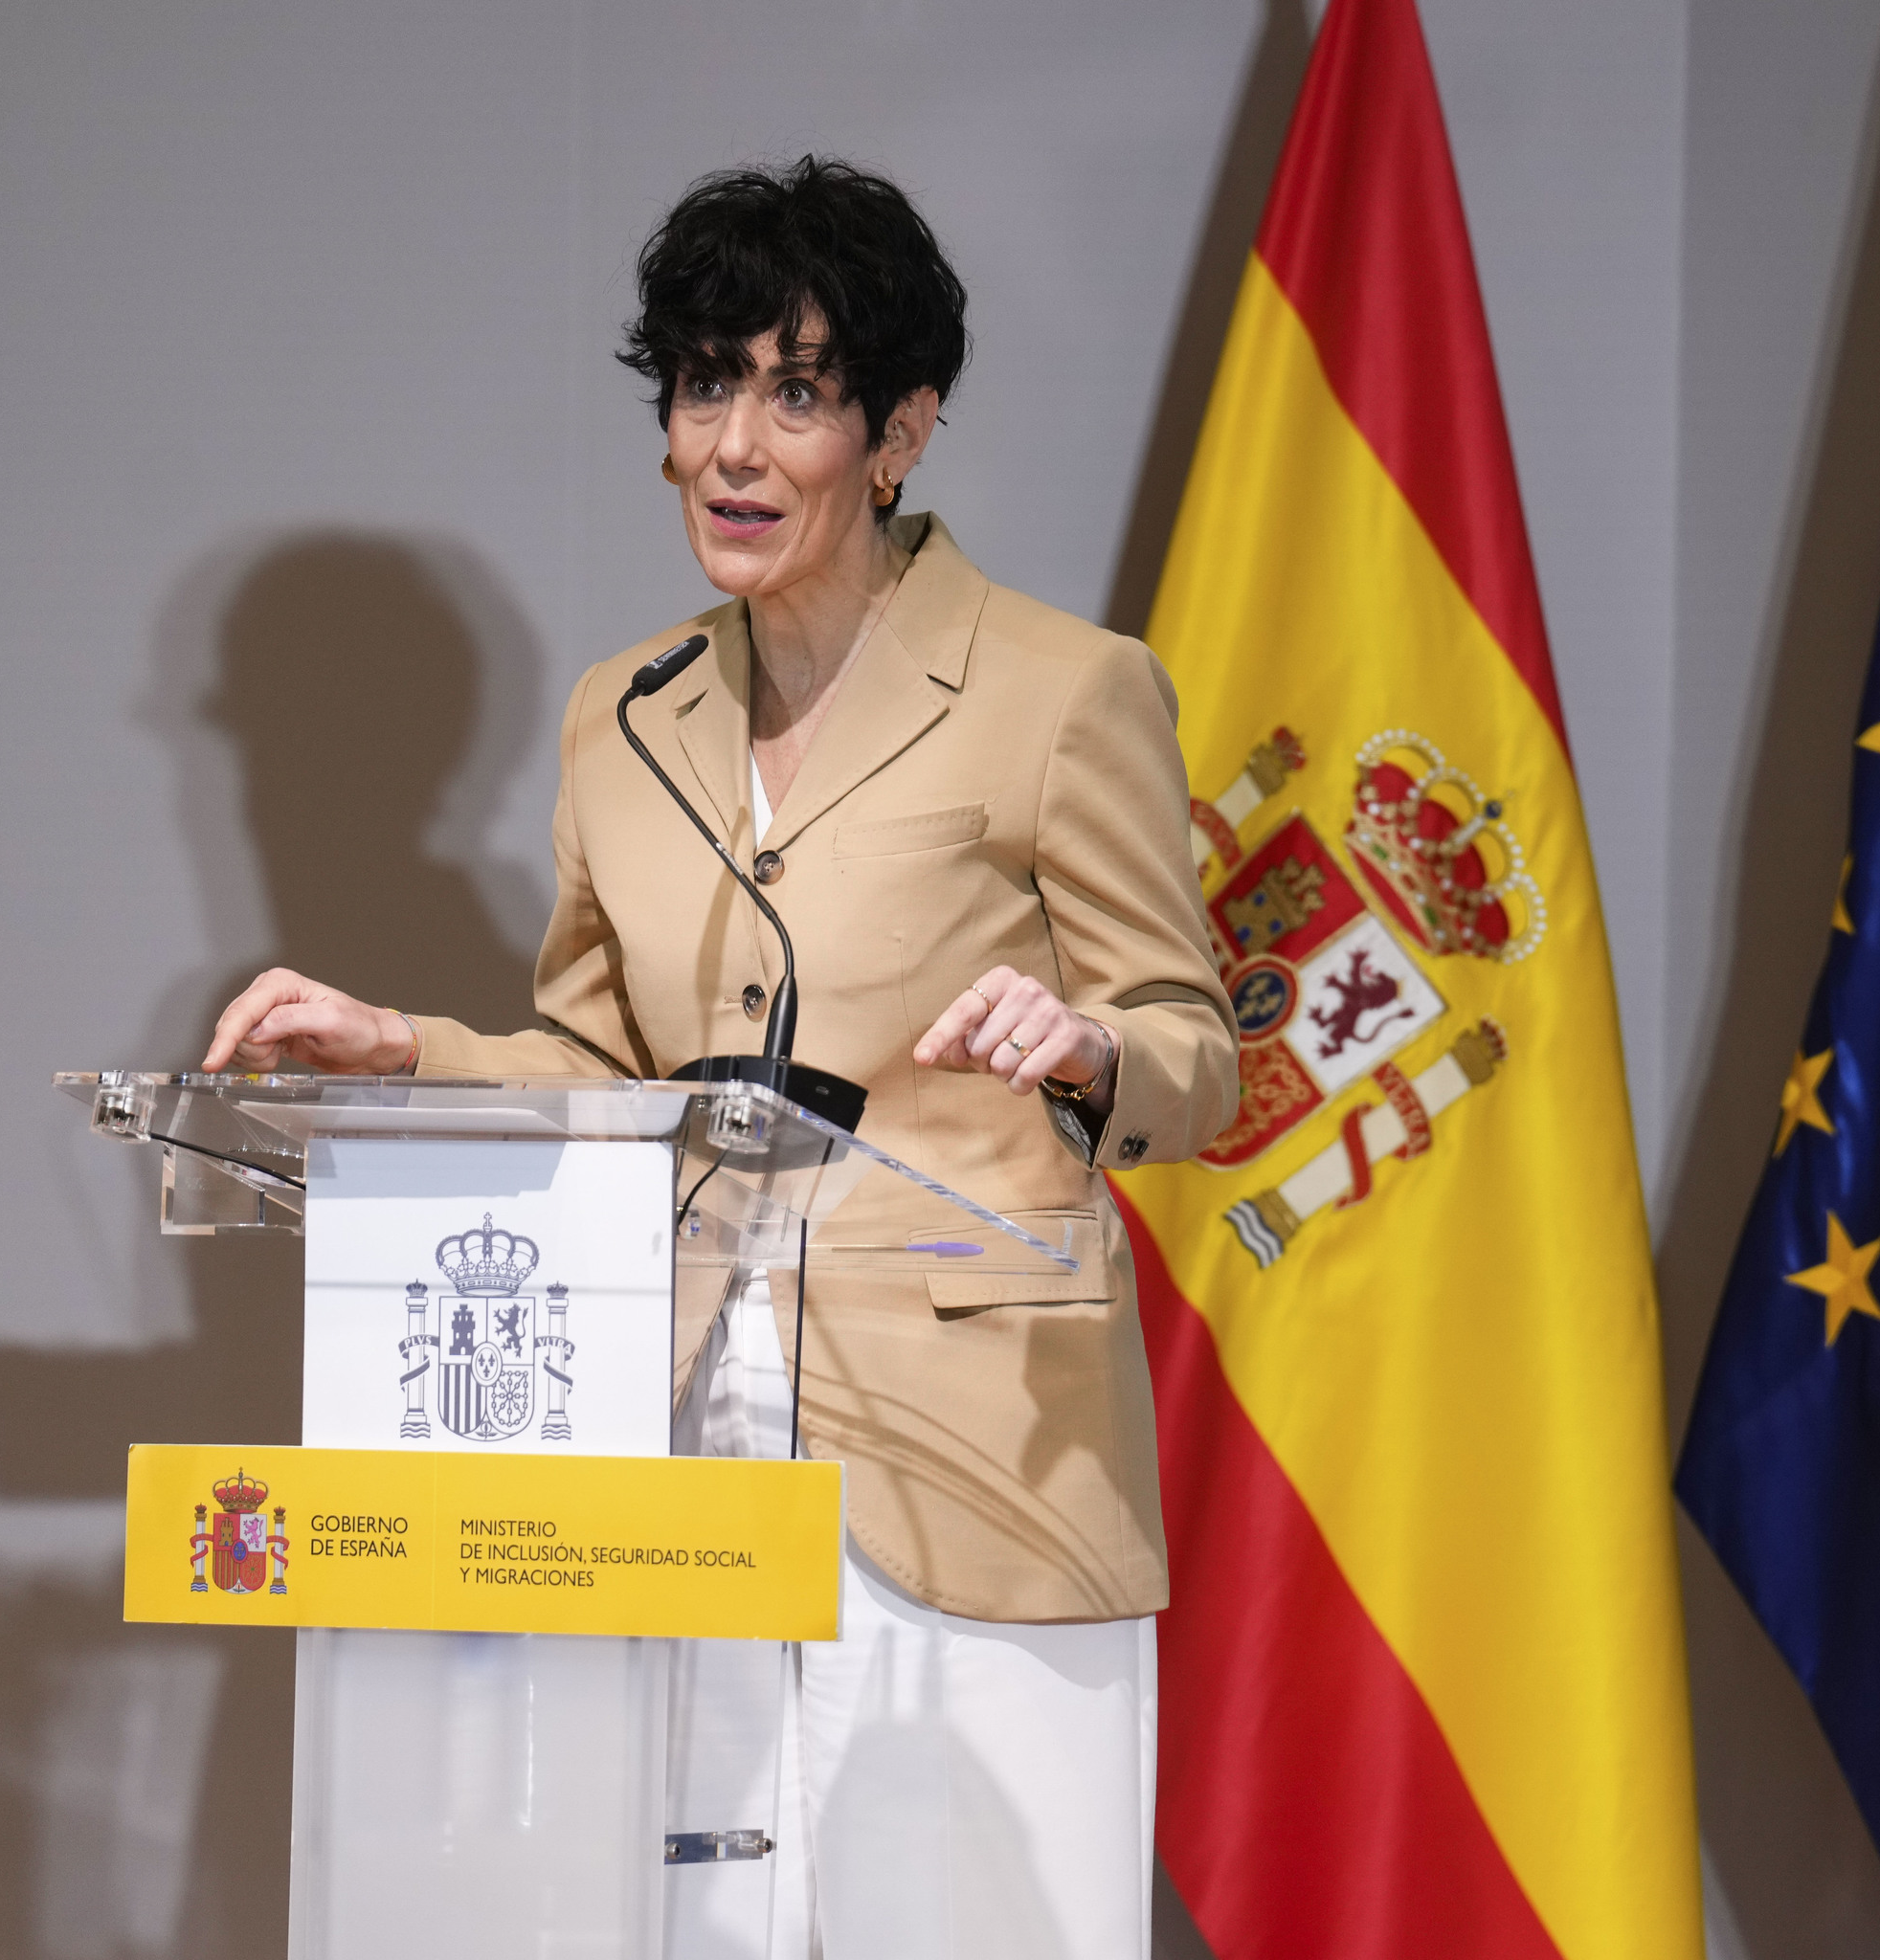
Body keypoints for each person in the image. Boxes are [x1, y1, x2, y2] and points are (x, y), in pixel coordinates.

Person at [203, 156, 1236, 1958]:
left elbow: (1198, 1054)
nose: (734, 447)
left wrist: (1087, 1044)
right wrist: (403, 1051)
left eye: (798, 393)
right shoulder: (627, 715)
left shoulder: (1064, 691)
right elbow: (603, 1069)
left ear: (901, 432)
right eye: (702, 387)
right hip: (678, 1447)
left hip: (974, 1458)